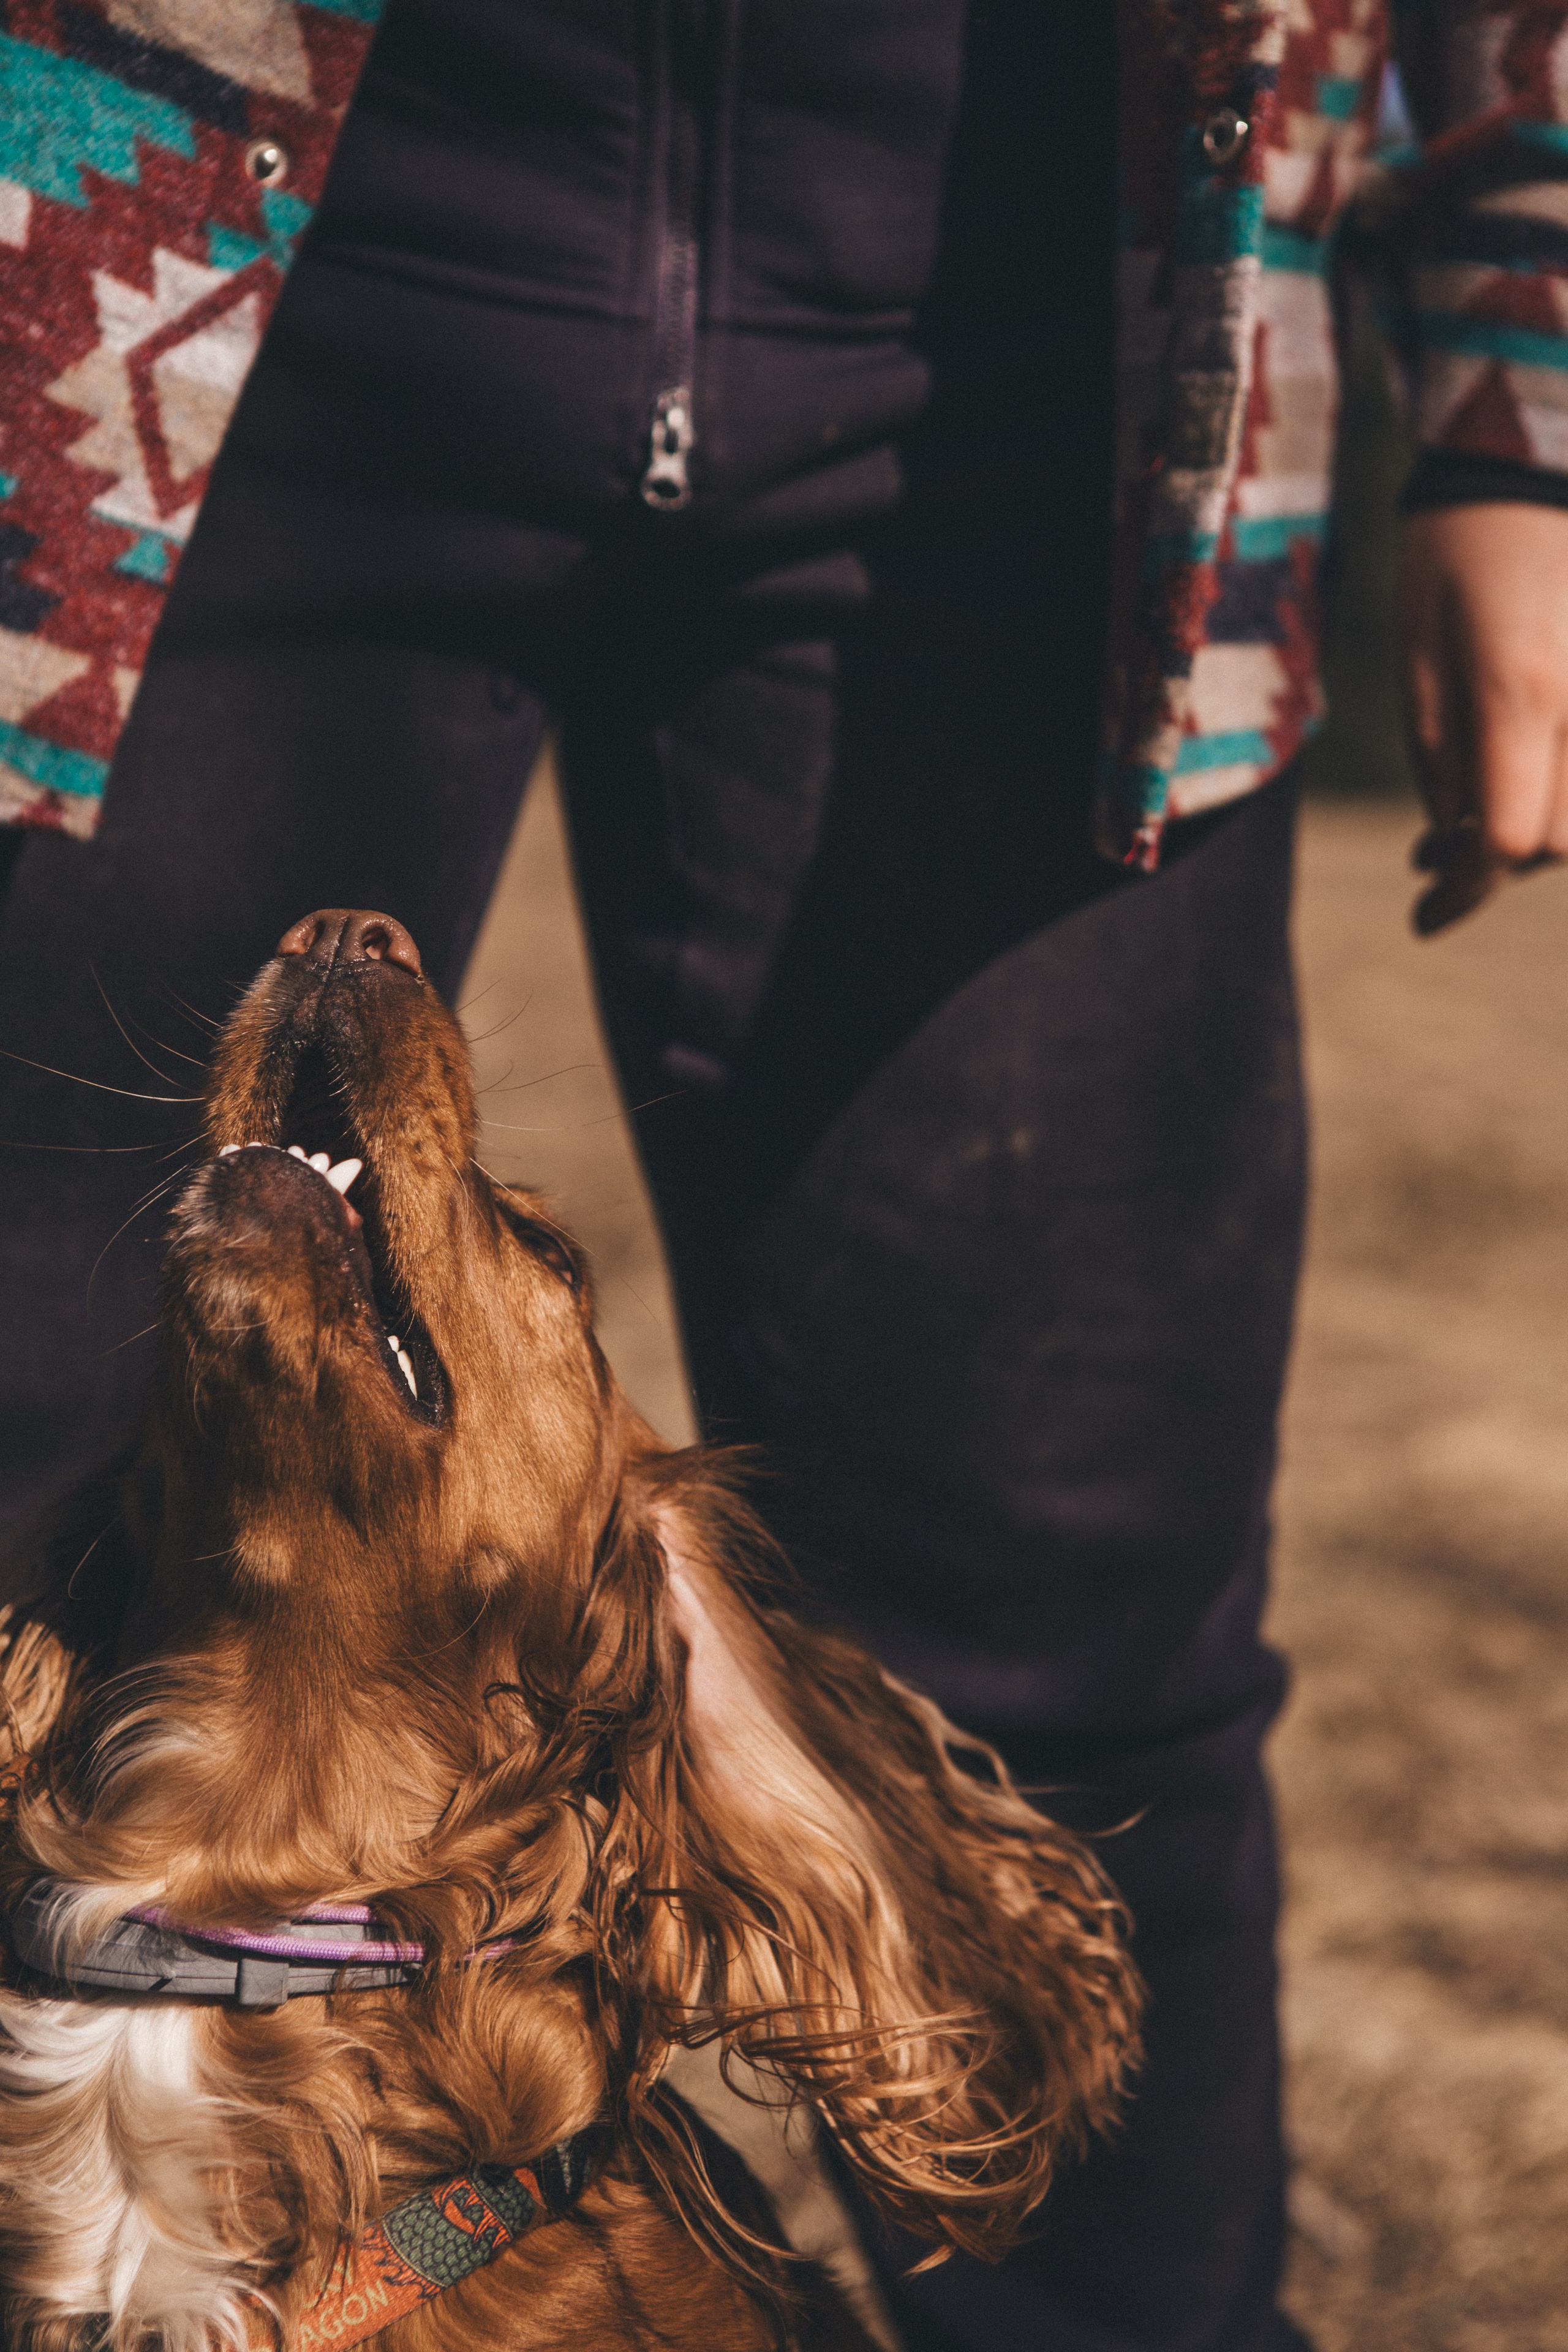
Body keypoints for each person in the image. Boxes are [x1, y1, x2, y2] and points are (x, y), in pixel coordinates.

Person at [2, 5, 1568, 2346]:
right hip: (161, 235)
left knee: (1067, 1656)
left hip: (1084, 318)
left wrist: (1526, 409)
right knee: (42, 1481)